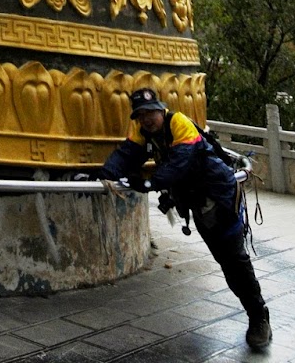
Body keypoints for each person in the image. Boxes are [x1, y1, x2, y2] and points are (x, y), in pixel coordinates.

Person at [99, 87, 271, 352]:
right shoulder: (145, 133)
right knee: (226, 262)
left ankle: (259, 318)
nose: (146, 119)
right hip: (198, 206)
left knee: (235, 260)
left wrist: (150, 183)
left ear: (161, 109)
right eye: (141, 115)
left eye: (150, 112)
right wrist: (104, 175)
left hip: (221, 200)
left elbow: (181, 162)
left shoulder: (179, 122)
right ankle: (255, 314)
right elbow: (127, 154)